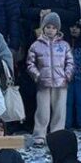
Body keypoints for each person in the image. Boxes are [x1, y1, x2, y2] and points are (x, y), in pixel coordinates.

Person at [25, 15, 75, 144]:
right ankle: (39, 135)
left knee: (60, 110)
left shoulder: (64, 45)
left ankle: (57, 135)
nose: (50, 30)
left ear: (58, 29)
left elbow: (70, 62)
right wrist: (37, 75)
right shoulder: (36, 45)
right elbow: (30, 63)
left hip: (61, 83)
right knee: (42, 111)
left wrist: (67, 75)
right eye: (48, 27)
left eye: (53, 28)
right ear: (43, 28)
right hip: (43, 83)